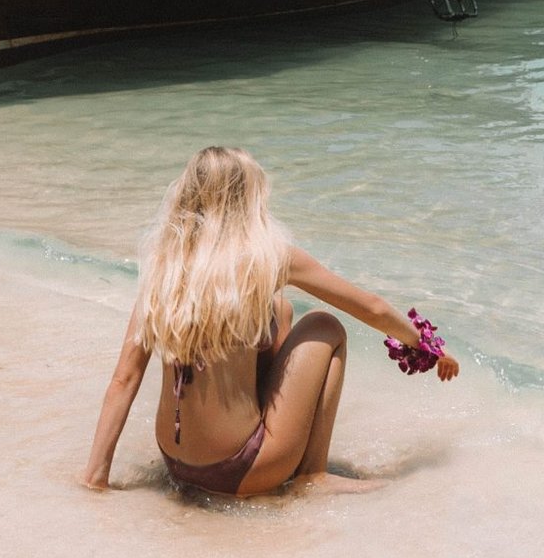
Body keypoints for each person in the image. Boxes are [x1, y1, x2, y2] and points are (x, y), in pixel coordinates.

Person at [82, 146, 457, 498]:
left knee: (279, 309)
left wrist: (96, 477)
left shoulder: (164, 269)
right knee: (325, 325)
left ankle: (254, 439)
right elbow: (371, 308)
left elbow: (124, 379)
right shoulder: (269, 259)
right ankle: (312, 476)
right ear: (247, 201)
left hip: (178, 465)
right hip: (241, 471)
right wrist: (427, 346)